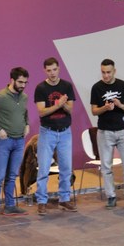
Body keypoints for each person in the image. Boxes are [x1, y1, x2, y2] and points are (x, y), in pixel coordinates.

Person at [0, 66, 30, 221]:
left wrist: (27, 124)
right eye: (20, 82)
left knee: (12, 176)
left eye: (25, 82)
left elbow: (24, 112)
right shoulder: (0, 97)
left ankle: (9, 205)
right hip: (3, 142)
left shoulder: (24, 97)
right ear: (12, 80)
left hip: (19, 141)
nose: (23, 85)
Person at [90, 58, 124, 209]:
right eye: (103, 72)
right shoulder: (96, 87)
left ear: (114, 71)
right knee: (106, 166)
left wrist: (120, 105)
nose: (106, 75)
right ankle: (111, 196)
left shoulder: (123, 85)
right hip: (105, 132)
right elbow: (94, 111)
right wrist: (104, 108)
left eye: (108, 72)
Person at [33, 57, 77, 216]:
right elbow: (42, 112)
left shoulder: (67, 86)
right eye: (49, 70)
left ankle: (64, 199)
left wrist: (63, 104)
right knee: (43, 169)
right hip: (47, 132)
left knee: (66, 168)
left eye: (54, 69)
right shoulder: (41, 88)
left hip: (65, 132)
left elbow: (70, 110)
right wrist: (59, 104)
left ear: (59, 69)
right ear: (45, 71)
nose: (52, 73)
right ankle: (41, 201)